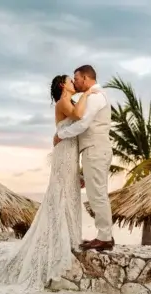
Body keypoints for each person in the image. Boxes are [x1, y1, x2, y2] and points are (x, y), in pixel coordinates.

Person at [0, 75, 96, 294]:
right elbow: (77, 116)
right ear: (62, 86)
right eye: (70, 80)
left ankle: (68, 238)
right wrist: (88, 92)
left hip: (70, 154)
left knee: (70, 194)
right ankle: (57, 243)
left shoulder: (73, 102)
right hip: (63, 155)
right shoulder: (63, 103)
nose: (74, 83)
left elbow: (81, 122)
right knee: (60, 195)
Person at [54, 65, 114, 251]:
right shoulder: (91, 96)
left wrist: (61, 135)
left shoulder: (95, 97)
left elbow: (83, 124)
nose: (75, 81)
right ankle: (103, 235)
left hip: (96, 149)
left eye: (77, 78)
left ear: (86, 78)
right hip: (92, 150)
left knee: (97, 194)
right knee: (96, 192)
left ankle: (105, 237)